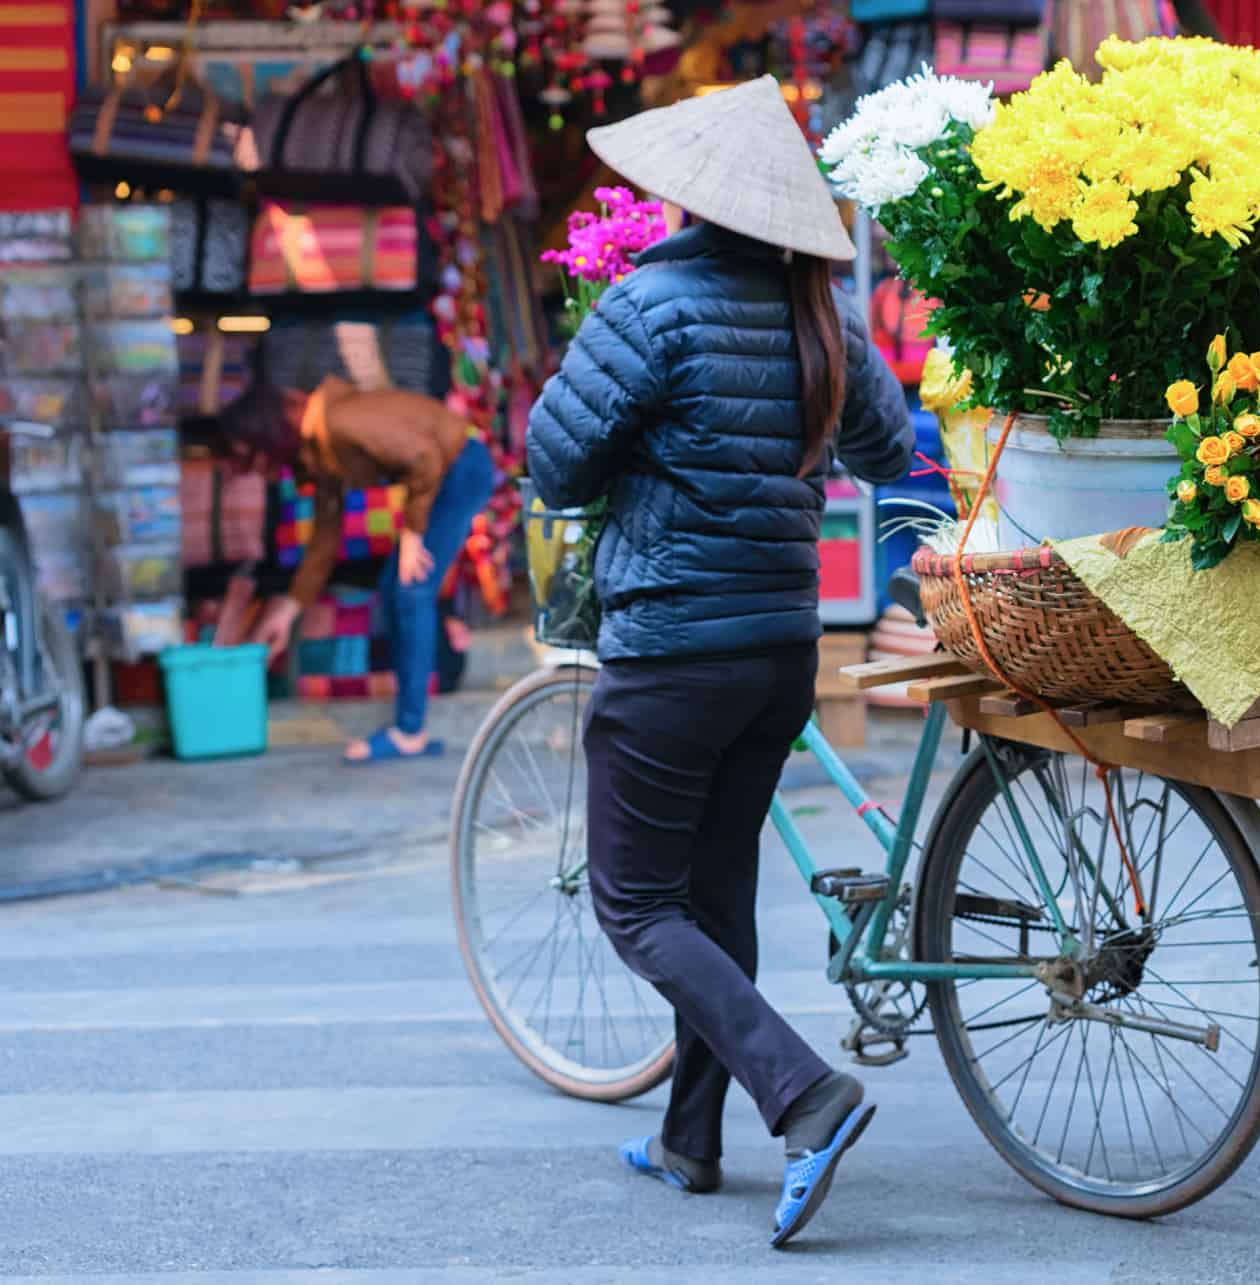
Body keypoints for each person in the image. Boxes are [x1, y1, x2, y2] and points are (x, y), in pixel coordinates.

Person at [524, 77, 914, 1248]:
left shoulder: (648, 307)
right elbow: (886, 446)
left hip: (673, 649)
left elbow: (554, 466)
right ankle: (693, 1140)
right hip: (779, 652)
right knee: (714, 897)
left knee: (635, 904)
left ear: (686, 195)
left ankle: (805, 1093)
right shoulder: (820, 308)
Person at [233, 376, 493, 763]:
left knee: (411, 590)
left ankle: (410, 731)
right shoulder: (319, 445)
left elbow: (424, 457)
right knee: (394, 589)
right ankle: (411, 725)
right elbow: (326, 534)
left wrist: (412, 533)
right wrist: (288, 610)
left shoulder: (338, 423)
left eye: (256, 456)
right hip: (446, 475)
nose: (262, 471)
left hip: (459, 470)